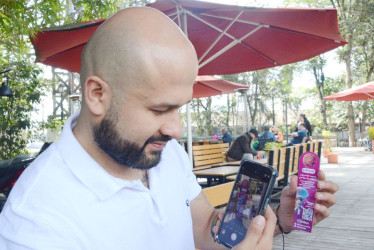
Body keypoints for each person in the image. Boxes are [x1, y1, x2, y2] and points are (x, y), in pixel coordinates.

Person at [0, 7, 339, 250]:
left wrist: (277, 220)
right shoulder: (36, 225)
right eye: (160, 109)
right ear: (97, 95)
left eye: (179, 107)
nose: (176, 129)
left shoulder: (165, 153)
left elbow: (202, 228)